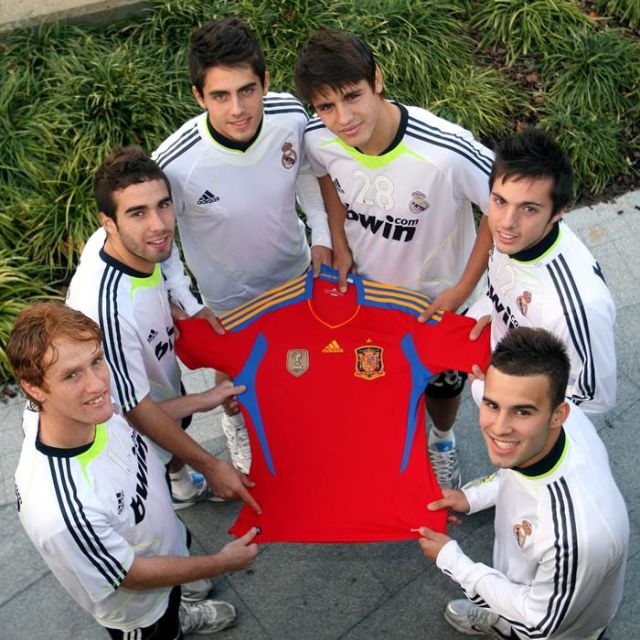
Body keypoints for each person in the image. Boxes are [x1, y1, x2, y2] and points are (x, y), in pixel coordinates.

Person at [294, 29, 495, 488]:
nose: (343, 118)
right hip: (369, 299)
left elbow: (502, 206)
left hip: (438, 303)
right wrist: (338, 241)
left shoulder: (447, 151)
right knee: (377, 378)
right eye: (326, 106)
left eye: (352, 96)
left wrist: (463, 288)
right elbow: (322, 174)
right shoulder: (318, 138)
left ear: (377, 80)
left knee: (443, 386)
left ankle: (441, 440)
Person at [8, 302, 259, 638]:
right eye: (71, 375)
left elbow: (134, 416)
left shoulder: (78, 409)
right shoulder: (61, 512)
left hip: (161, 543)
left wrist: (205, 399)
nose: (97, 384)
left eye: (96, 361)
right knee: (163, 627)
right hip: (140, 612)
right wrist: (222, 562)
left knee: (173, 595)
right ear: (34, 388)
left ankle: (180, 607)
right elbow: (133, 575)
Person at [152, 17, 332, 474]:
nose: (237, 109)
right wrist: (189, 303)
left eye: (247, 90)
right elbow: (160, 240)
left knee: (298, 361)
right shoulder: (174, 163)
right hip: (227, 297)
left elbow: (307, 173)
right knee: (235, 374)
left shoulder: (291, 116)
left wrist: (322, 236)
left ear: (265, 82)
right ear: (199, 96)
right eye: (220, 96)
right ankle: (237, 426)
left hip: (294, 273)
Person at [66, 146, 260, 525]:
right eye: (138, 213)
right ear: (109, 222)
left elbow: (157, 266)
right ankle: (172, 525)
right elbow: (136, 414)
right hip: (124, 430)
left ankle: (182, 488)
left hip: (153, 376)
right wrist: (211, 460)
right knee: (158, 498)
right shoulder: (108, 311)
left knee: (173, 412)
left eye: (163, 205)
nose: (159, 224)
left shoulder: (127, 244)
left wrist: (178, 307)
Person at [417, 327, 628, 639]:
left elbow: (537, 624)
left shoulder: (577, 537)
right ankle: (499, 612)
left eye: (522, 412)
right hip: (529, 576)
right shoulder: (548, 436)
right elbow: (516, 473)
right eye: (492, 405)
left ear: (558, 414)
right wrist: (472, 497)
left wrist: (454, 562)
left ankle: (503, 626)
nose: (499, 428)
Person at [468, 128, 616, 415]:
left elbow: (594, 398)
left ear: (559, 211)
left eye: (529, 209)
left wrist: (499, 394)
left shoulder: (576, 308)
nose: (506, 223)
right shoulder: (515, 238)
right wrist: (494, 312)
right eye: (500, 201)